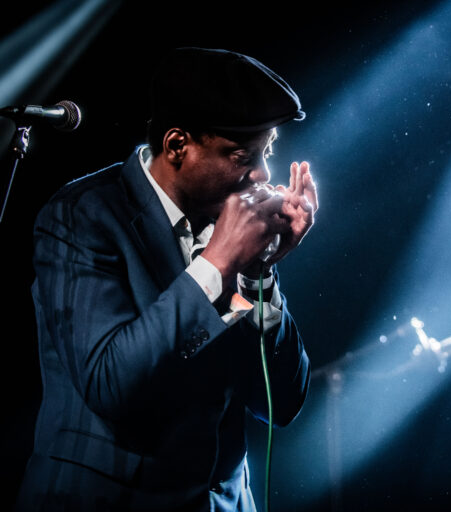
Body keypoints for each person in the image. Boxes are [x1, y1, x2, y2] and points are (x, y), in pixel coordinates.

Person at [14, 47, 317, 511]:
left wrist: (259, 275)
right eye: (243, 155)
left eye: (267, 151)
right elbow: (110, 385)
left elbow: (282, 404)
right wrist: (216, 264)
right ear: (177, 146)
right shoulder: (82, 216)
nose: (262, 174)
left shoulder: (233, 229)